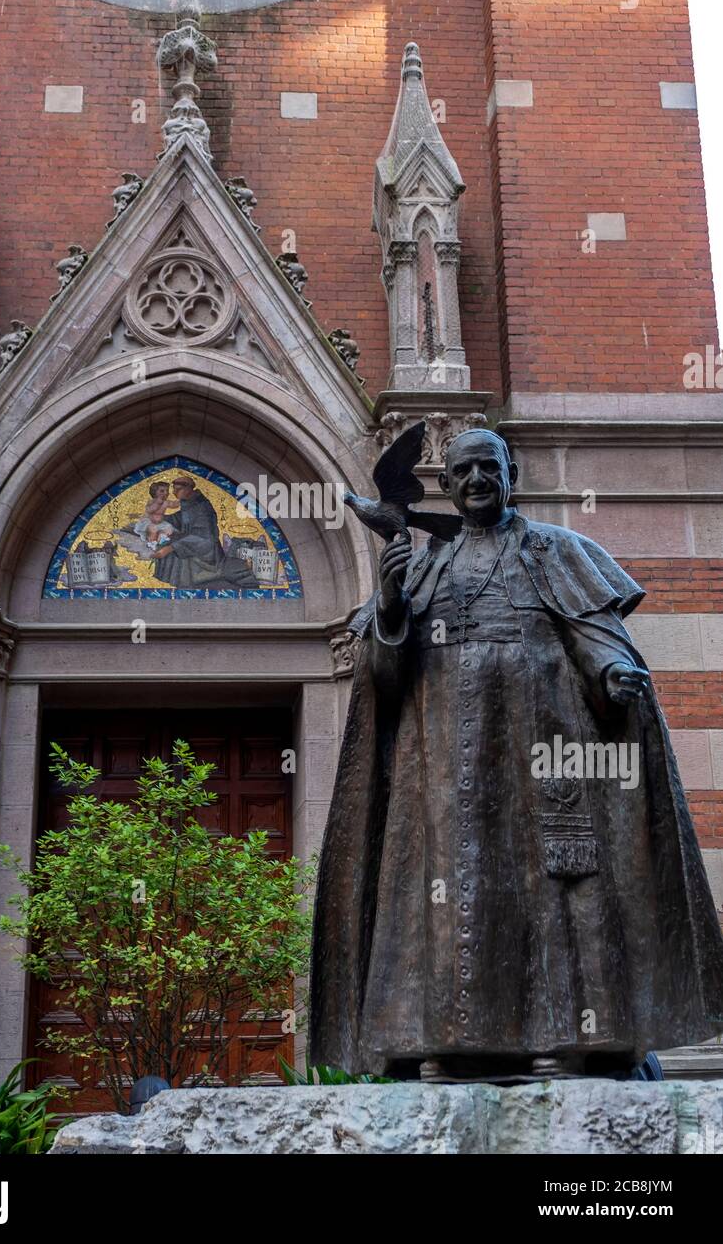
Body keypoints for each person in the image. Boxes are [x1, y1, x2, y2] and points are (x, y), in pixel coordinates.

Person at [309, 428, 723, 1081]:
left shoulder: (558, 552)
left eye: (489, 467)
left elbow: (599, 638)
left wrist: (614, 677)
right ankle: (460, 1046)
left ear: (512, 474)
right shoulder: (419, 567)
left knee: (559, 899)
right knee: (456, 900)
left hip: (545, 764)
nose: (477, 479)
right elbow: (383, 681)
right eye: (463, 470)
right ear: (445, 485)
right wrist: (388, 605)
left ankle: (586, 1045)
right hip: (443, 776)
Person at [149, 476, 259, 591]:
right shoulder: (189, 504)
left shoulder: (202, 506)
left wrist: (172, 548)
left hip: (207, 555)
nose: (174, 492)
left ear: (188, 489)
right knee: (167, 541)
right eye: (174, 489)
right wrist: (161, 519)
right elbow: (180, 519)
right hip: (191, 545)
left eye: (178, 489)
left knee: (171, 549)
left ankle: (192, 582)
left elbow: (205, 537)